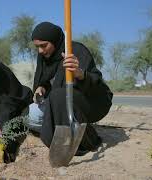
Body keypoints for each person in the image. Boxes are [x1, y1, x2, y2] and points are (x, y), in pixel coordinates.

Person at [28, 22, 113, 155]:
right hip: (59, 102)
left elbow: (97, 83)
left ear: (55, 40)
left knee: (59, 95)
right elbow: (46, 81)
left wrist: (80, 74)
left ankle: (88, 137)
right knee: (27, 114)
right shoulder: (44, 57)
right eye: (37, 47)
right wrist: (41, 87)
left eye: (44, 45)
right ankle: (71, 127)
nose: (40, 51)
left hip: (91, 102)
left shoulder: (76, 50)